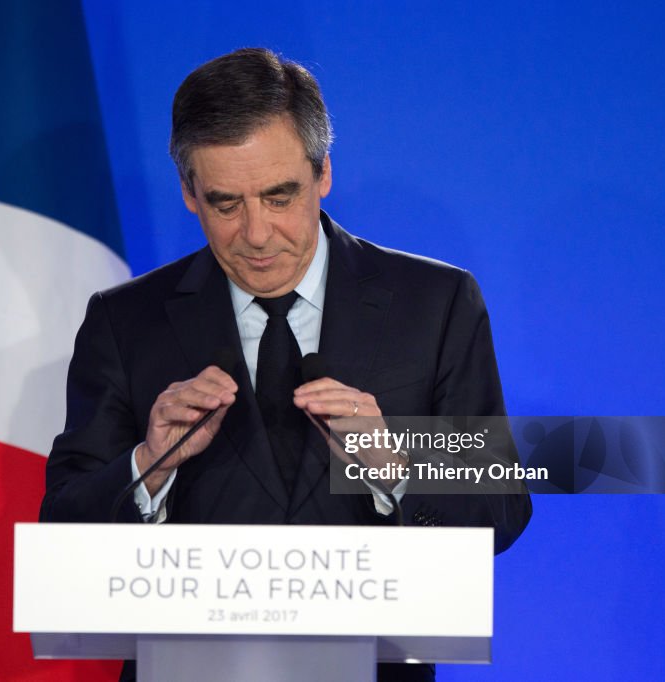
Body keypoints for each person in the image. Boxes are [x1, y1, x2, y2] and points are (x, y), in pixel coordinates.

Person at [41, 47, 531, 682]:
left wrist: (394, 468)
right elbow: (62, 531)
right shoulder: (126, 321)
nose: (257, 233)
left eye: (279, 196)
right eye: (225, 203)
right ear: (189, 193)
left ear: (323, 171)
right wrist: (146, 467)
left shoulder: (433, 305)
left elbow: (499, 509)